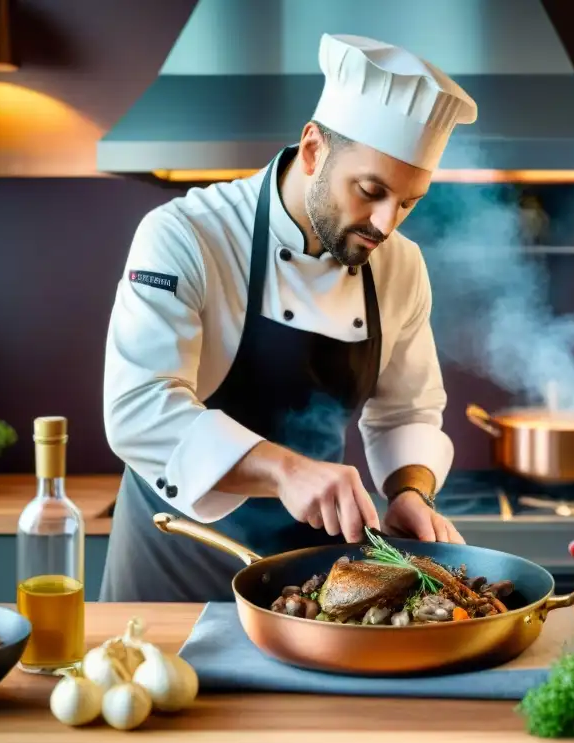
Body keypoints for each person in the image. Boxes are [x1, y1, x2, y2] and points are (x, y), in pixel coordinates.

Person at [98, 33, 476, 602]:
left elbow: (407, 412)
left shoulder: (401, 266)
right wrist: (287, 471)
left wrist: (410, 493)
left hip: (309, 585)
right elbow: (137, 408)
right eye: (370, 190)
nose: (385, 223)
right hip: (173, 563)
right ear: (314, 149)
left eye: (407, 202)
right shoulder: (188, 235)